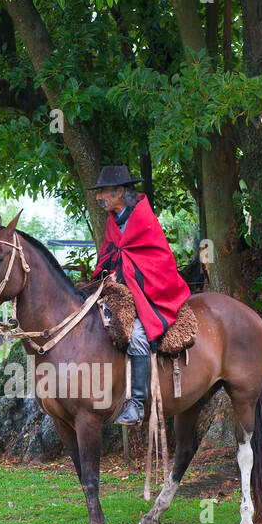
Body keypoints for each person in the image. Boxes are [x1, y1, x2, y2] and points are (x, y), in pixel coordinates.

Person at [89, 165, 191, 425]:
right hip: (122, 292)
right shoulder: (114, 222)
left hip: (152, 295)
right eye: (98, 192)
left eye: (103, 192)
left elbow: (157, 263)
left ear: (119, 191)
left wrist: (121, 277)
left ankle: (136, 404)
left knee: (137, 336)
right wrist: (107, 276)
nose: (99, 198)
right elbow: (112, 255)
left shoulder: (143, 219)